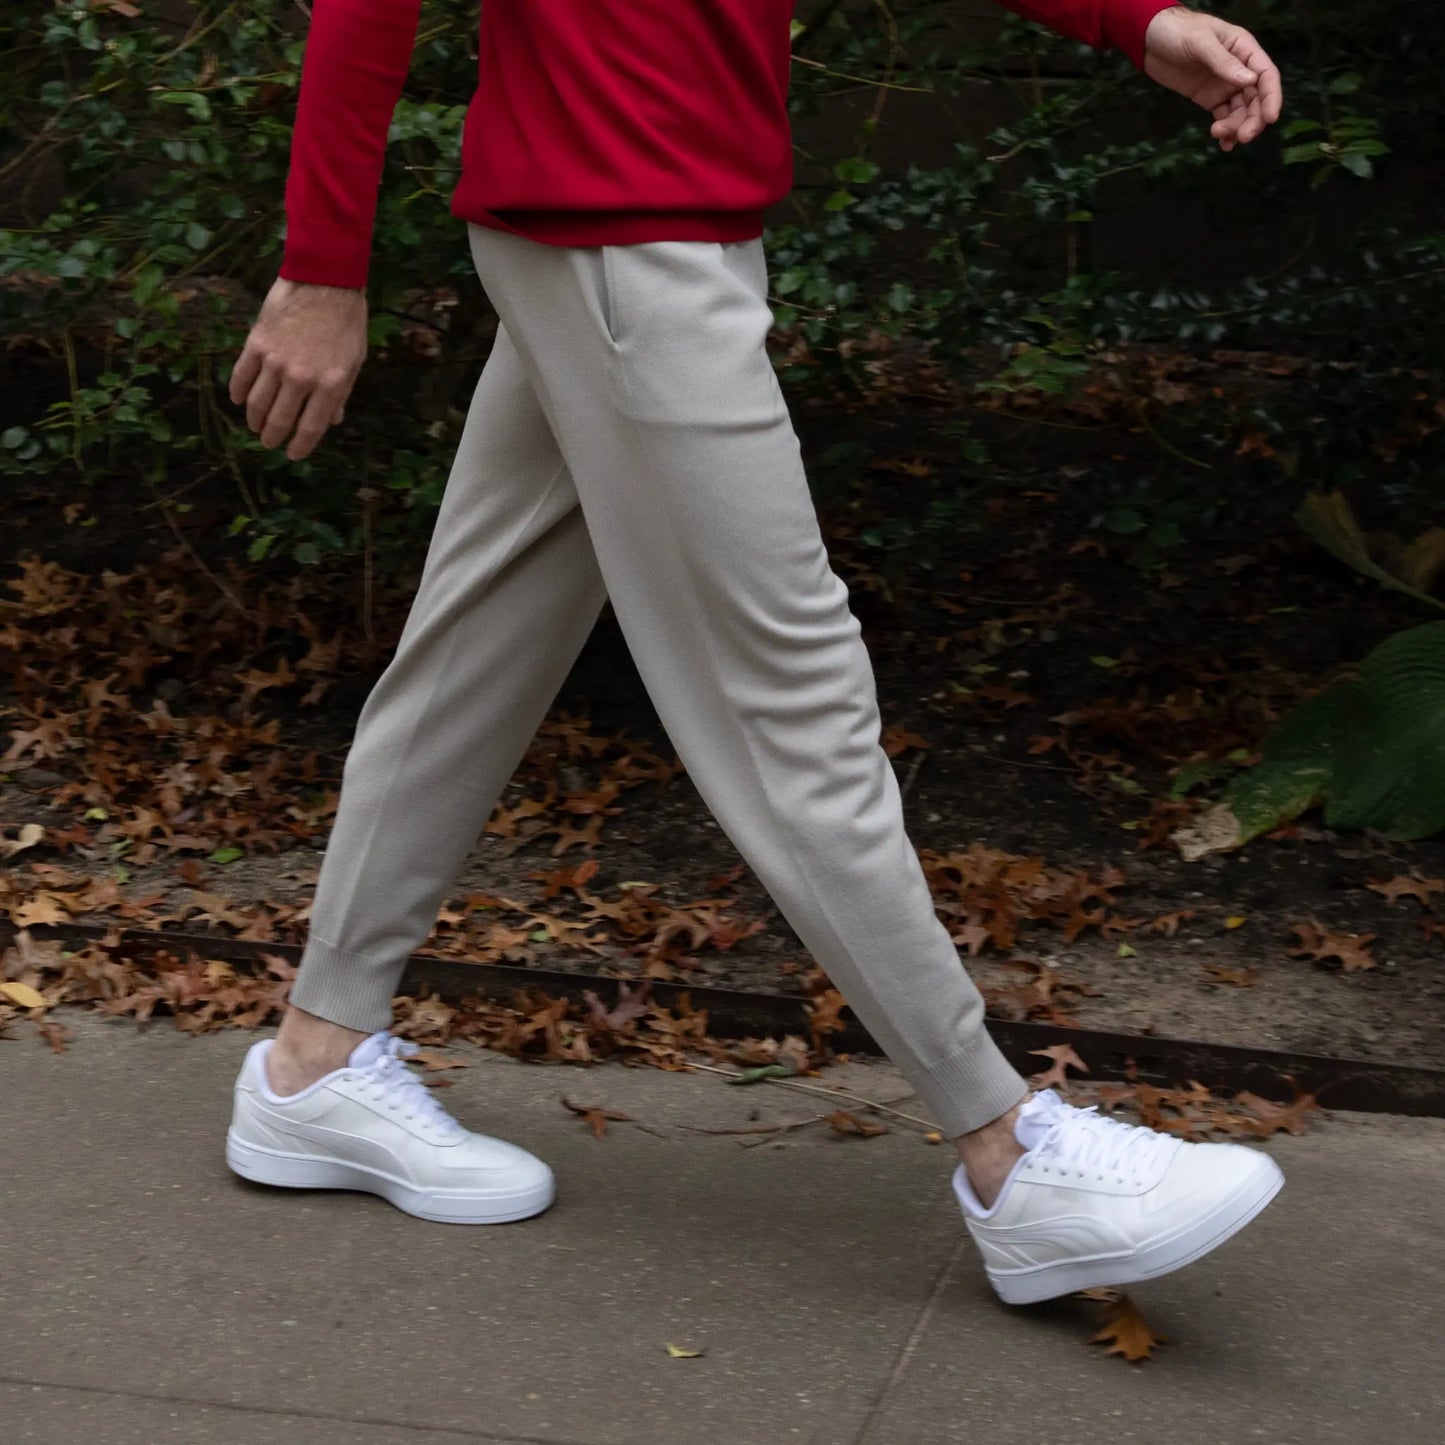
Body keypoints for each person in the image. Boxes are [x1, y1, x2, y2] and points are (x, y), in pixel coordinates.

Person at [226, 0, 1285, 1305]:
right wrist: (321, 267)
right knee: (789, 693)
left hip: (638, 229)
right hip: (624, 239)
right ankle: (1014, 1155)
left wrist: (1134, 23)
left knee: (474, 648)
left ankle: (312, 1065)